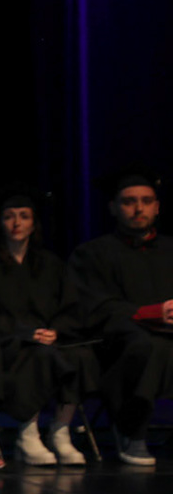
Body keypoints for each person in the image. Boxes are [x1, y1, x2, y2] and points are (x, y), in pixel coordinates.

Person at [0, 193, 97, 465]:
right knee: (38, 356)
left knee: (80, 355)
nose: (16, 223)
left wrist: (56, 330)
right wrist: (25, 334)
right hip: (7, 341)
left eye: (24, 216)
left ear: (33, 223)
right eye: (9, 217)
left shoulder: (50, 264)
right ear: (0, 222)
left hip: (47, 338)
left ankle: (60, 431)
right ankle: (28, 433)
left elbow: (70, 306)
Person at [68, 174, 171, 466]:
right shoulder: (92, 254)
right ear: (113, 207)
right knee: (148, 346)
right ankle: (131, 430)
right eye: (129, 202)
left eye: (146, 201)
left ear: (157, 207)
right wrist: (148, 314)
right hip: (120, 346)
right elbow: (92, 307)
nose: (138, 208)